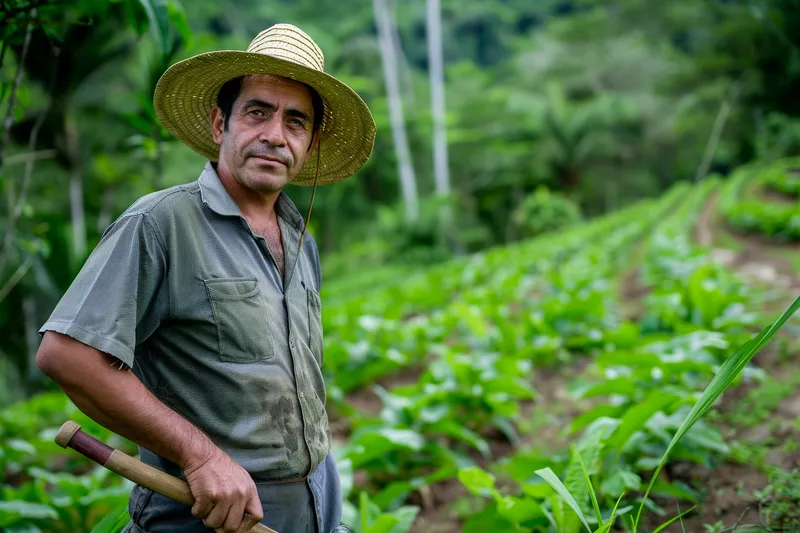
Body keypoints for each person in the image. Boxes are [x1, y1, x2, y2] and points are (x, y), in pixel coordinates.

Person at [35, 23, 376, 533]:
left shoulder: (301, 239)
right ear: (220, 124)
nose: (275, 136)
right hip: (206, 518)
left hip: (313, 513)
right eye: (258, 112)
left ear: (310, 142)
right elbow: (67, 355)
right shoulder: (160, 224)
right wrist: (200, 457)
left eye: (296, 122)